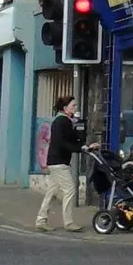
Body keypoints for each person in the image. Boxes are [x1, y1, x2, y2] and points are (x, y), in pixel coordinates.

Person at [36, 96, 85, 233]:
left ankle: (41, 220)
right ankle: (68, 223)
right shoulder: (61, 122)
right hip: (59, 162)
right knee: (69, 189)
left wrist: (81, 139)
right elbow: (63, 142)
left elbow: (74, 139)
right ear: (65, 108)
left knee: (52, 192)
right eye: (73, 105)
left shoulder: (66, 121)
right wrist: (79, 148)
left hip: (57, 161)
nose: (76, 108)